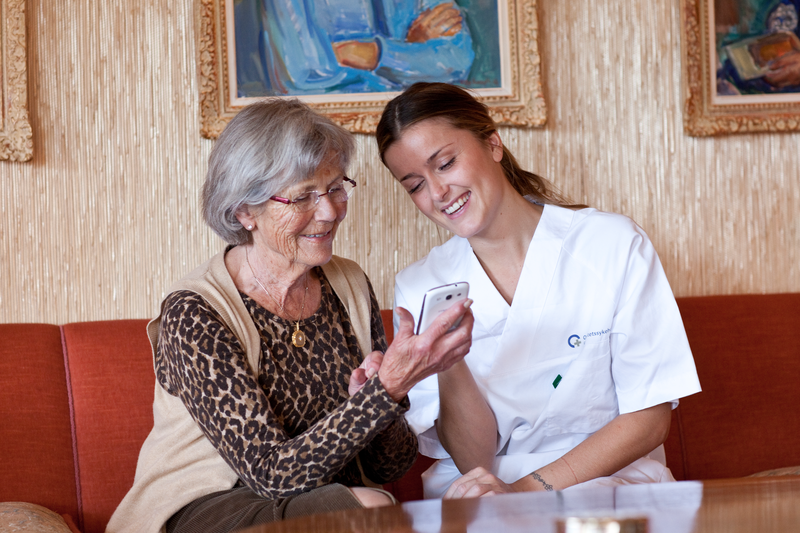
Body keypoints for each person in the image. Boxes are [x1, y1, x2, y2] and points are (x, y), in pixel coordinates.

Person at [107, 98, 473, 533]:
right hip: (211, 509)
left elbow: (391, 463)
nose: (329, 211)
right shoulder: (194, 311)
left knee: (371, 501)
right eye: (303, 196)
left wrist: (383, 397)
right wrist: (387, 389)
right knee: (369, 507)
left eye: (336, 187)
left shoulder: (348, 284)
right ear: (245, 211)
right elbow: (269, 474)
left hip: (333, 501)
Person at [375, 82, 702, 499]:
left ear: (493, 143)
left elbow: (649, 419)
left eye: (446, 163)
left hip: (611, 482)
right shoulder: (422, 285)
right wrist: (446, 361)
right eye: (415, 185)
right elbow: (475, 460)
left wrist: (528, 489)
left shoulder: (611, 244)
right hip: (484, 493)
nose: (437, 193)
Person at [234, 0, 474, 96]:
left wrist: (375, 55)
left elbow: (457, 59)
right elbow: (300, 75)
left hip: (410, 123)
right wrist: (410, 53)